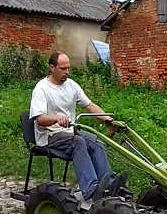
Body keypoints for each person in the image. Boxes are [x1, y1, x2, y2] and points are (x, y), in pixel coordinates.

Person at [29, 51, 126, 206]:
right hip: (50, 136)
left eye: (68, 68)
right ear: (52, 68)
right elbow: (39, 119)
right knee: (78, 142)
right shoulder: (42, 89)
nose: (67, 72)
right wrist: (56, 118)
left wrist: (108, 119)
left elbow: (90, 106)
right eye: (62, 68)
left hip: (70, 131)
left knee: (95, 141)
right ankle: (92, 190)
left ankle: (110, 184)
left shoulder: (72, 86)